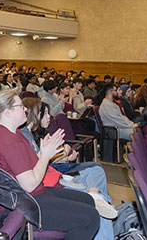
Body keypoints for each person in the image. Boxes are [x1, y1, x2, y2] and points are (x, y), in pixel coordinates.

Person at [0, 89, 101, 239]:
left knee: (87, 200)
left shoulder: (12, 133)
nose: (25, 109)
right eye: (20, 106)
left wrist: (44, 152)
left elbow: (27, 165)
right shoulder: (9, 142)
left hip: (26, 195)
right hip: (22, 204)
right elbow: (29, 184)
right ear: (7, 112)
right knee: (90, 218)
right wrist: (45, 156)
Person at [20, 97, 115, 239]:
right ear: (36, 114)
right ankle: (100, 199)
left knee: (96, 171)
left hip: (51, 175)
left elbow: (42, 161)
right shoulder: (21, 136)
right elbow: (37, 168)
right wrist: (55, 156)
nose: (49, 118)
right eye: (45, 114)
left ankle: (100, 199)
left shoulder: (28, 134)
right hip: (48, 182)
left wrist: (60, 156)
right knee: (95, 203)